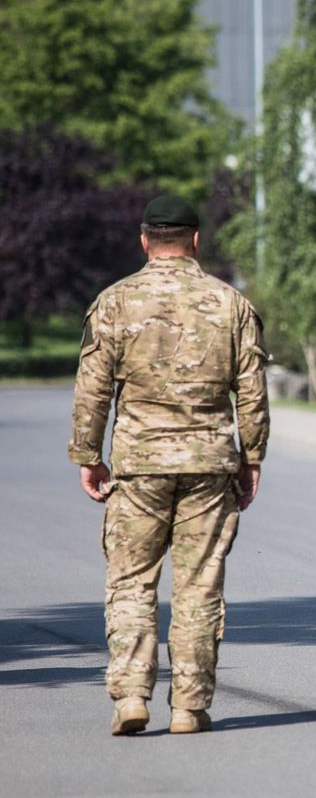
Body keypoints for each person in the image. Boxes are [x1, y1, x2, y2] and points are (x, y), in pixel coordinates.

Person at [69, 194, 270, 736]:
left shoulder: (114, 303)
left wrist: (88, 455)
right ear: (195, 241)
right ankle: (188, 705)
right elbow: (251, 392)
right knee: (199, 586)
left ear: (144, 240)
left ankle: (132, 695)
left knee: (132, 582)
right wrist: (251, 458)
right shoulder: (230, 305)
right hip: (209, 462)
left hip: (138, 465)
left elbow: (92, 389)